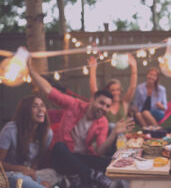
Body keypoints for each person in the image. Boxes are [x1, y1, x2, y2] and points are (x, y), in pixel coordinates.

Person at [28, 59, 135, 188]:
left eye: (107, 106)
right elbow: (49, 90)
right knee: (59, 147)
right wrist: (30, 70)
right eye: (101, 103)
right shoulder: (74, 104)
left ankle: (85, 176)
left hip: (81, 158)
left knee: (108, 161)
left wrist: (113, 134)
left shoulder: (103, 121)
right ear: (93, 100)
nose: (104, 108)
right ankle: (91, 175)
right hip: (63, 158)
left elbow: (100, 150)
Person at [0, 96, 53, 188]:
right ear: (25, 111)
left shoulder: (47, 134)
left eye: (42, 105)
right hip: (6, 175)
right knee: (20, 179)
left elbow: (36, 161)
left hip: (26, 174)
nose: (41, 109)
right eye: (35, 106)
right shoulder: (10, 130)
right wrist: (18, 168)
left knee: (47, 184)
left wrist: (33, 174)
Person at [89, 54, 137, 128]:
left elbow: (132, 87)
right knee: (111, 126)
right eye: (112, 90)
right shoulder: (104, 104)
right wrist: (93, 69)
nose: (116, 93)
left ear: (120, 91)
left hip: (122, 137)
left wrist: (134, 67)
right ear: (108, 92)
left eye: (118, 90)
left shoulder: (124, 102)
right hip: (108, 136)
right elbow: (94, 90)